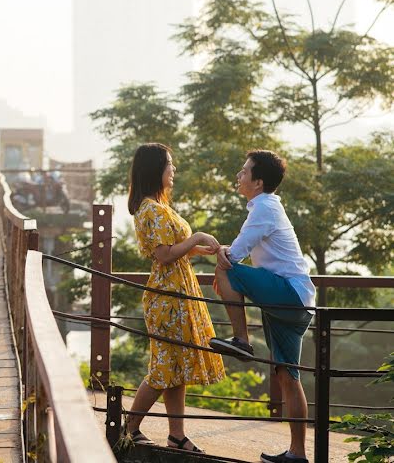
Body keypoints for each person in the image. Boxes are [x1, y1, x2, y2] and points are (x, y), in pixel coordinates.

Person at [210, 150, 316, 463]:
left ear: (257, 182)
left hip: (288, 295)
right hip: (296, 300)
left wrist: (223, 254)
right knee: (287, 375)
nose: (239, 176)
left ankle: (241, 340)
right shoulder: (267, 206)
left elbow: (233, 257)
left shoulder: (264, 209)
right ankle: (298, 454)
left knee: (224, 269)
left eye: (244, 172)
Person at [125, 143, 225, 453]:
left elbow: (174, 249)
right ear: (156, 169)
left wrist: (199, 249)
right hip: (167, 296)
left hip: (178, 293)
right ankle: (126, 429)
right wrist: (195, 238)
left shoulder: (158, 206)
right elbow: (164, 255)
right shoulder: (151, 209)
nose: (174, 170)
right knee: (164, 368)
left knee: (177, 366)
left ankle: (176, 435)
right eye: (169, 164)